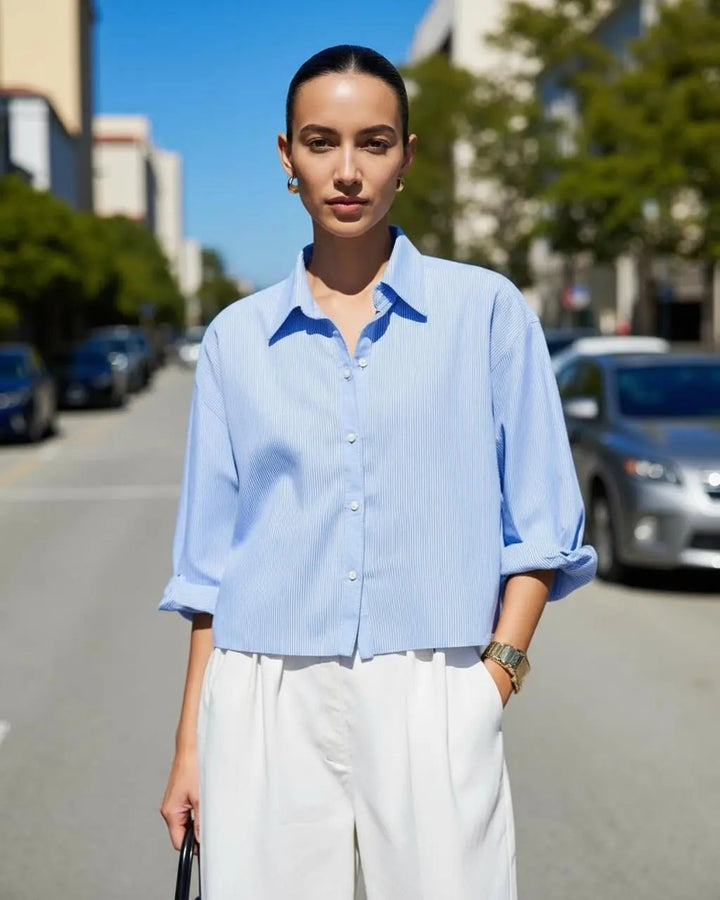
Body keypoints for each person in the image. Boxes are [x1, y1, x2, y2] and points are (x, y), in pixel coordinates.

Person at [159, 44, 597, 900]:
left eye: (375, 142)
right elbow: (210, 571)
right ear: (287, 158)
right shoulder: (234, 341)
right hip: (262, 695)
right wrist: (191, 748)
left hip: (433, 689)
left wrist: (493, 678)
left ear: (408, 155)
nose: (349, 170)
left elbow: (541, 523)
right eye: (321, 142)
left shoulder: (487, 314)